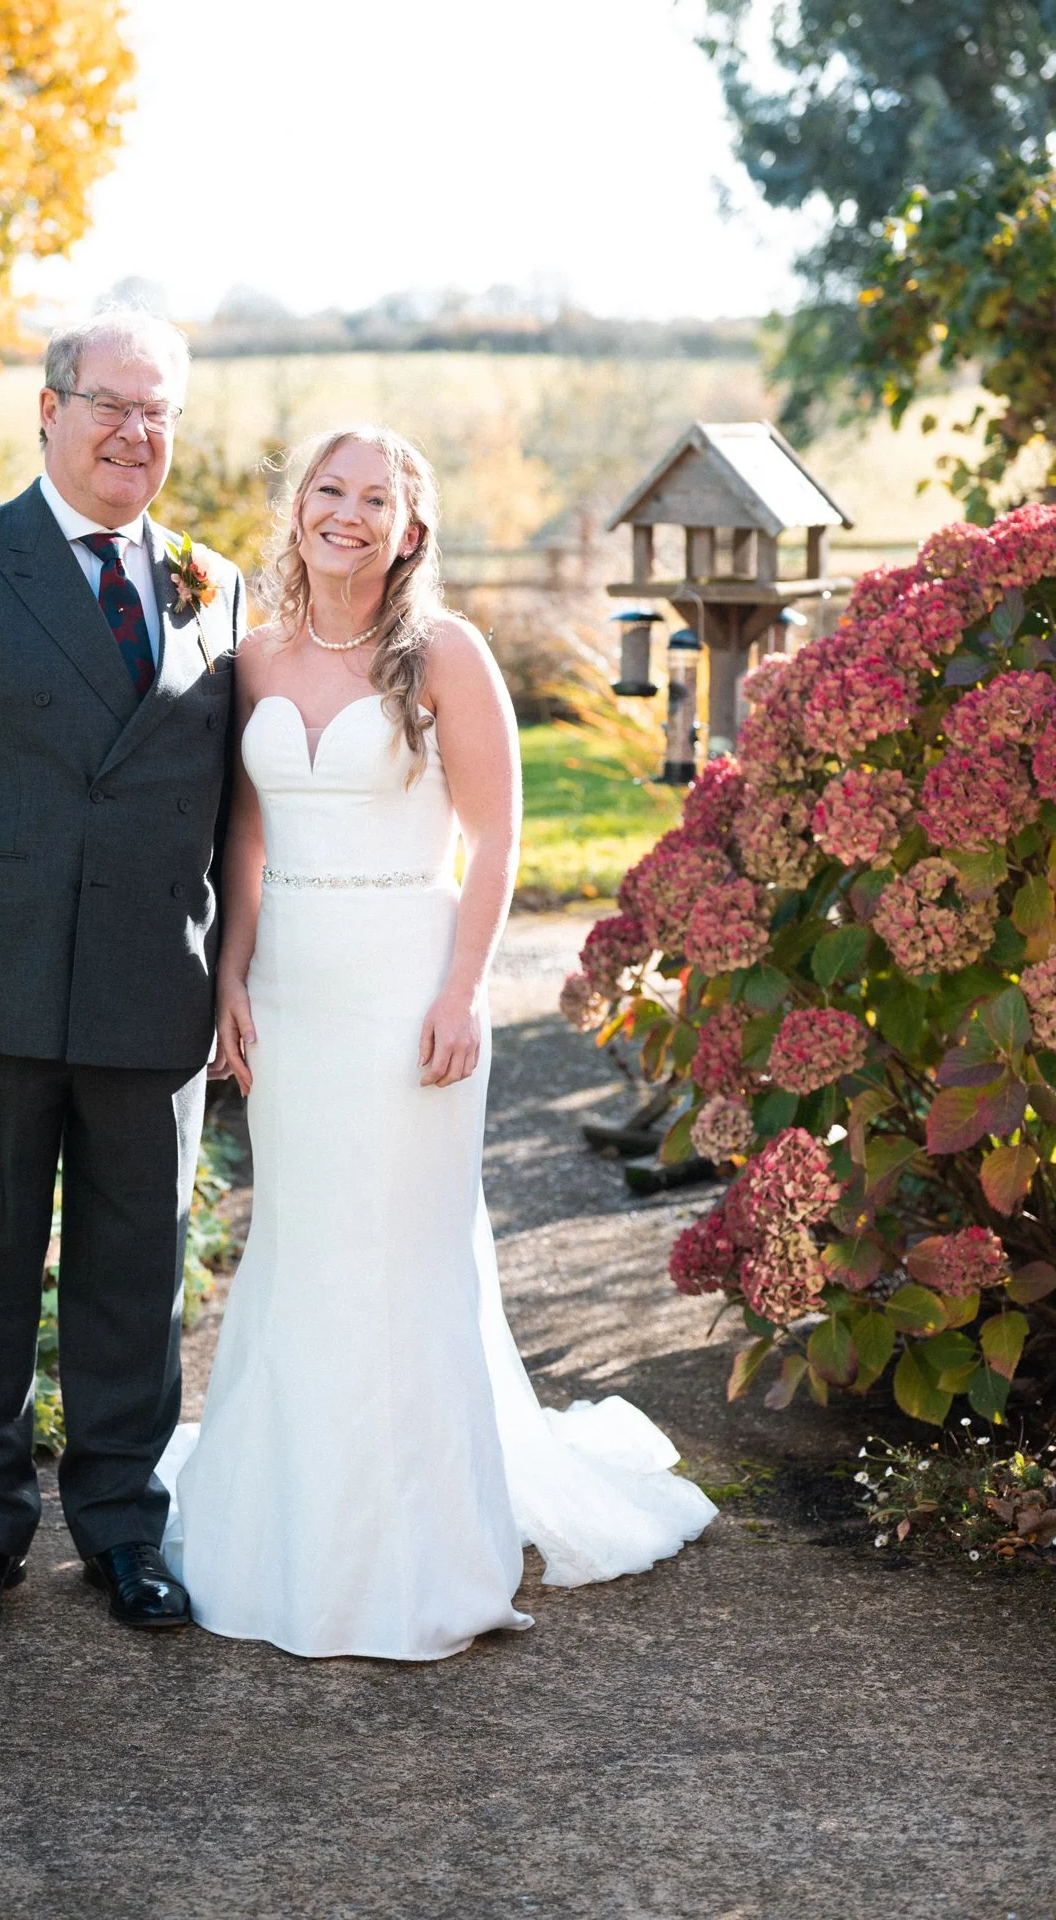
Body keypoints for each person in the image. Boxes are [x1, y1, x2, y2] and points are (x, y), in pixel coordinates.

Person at [160, 425, 716, 1661]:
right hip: (293, 988)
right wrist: (230, 976)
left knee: (400, 1258)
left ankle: (414, 1550)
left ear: (409, 529)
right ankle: (284, 1530)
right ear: (296, 506)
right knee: (300, 1245)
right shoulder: (252, 655)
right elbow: (241, 840)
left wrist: (463, 993)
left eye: (375, 498)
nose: (345, 513)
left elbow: (495, 842)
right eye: (327, 489)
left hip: (408, 985)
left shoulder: (444, 656)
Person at [0, 308, 245, 1636]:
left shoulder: (212, 581)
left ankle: (124, 1530)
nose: (135, 433)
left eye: (158, 413)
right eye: (109, 406)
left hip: (153, 995)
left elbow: (232, 803)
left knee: (138, 1276)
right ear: (46, 409)